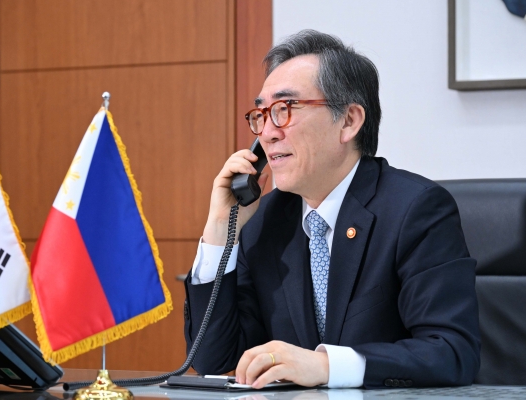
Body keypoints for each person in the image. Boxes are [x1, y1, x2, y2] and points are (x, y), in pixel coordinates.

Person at [183, 30, 480, 389]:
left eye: (285, 109)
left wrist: (327, 365)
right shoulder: (266, 220)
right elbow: (214, 358)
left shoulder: (416, 210)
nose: (267, 134)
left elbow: (451, 352)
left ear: (349, 121)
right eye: (261, 114)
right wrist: (221, 229)